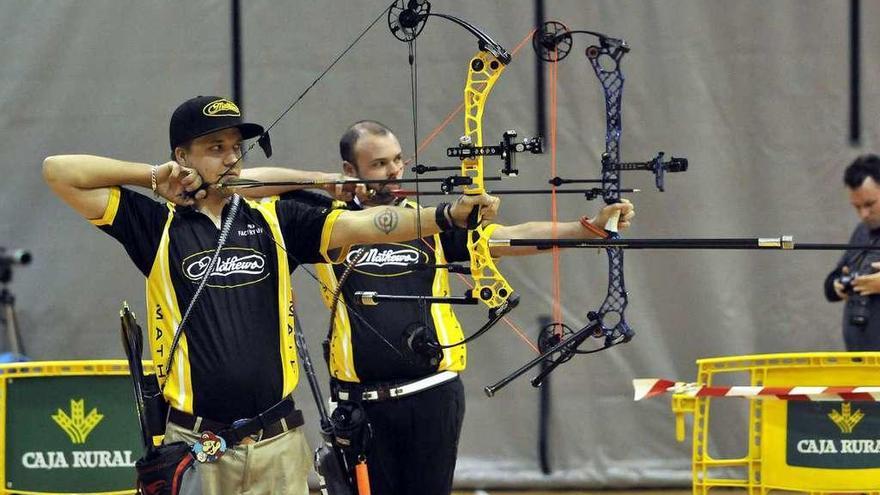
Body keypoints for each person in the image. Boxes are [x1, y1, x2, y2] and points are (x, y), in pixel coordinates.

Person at [41, 97, 500, 495]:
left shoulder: (276, 217)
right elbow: (59, 172)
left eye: (235, 148)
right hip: (199, 443)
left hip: (278, 442)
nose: (230, 159)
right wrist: (151, 176)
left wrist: (446, 214)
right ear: (182, 155)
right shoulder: (154, 225)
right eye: (214, 148)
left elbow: (367, 226)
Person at [241, 120, 635, 495]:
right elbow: (236, 186)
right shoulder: (323, 225)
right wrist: (322, 182)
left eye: (397, 159)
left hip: (431, 397)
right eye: (379, 164)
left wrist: (584, 230)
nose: (393, 170)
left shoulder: (428, 224)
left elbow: (509, 238)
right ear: (350, 168)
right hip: (360, 405)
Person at [825, 154, 880, 351]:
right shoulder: (862, 232)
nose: (863, 214)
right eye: (857, 207)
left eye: (869, 204)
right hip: (858, 360)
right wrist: (840, 285)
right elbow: (831, 285)